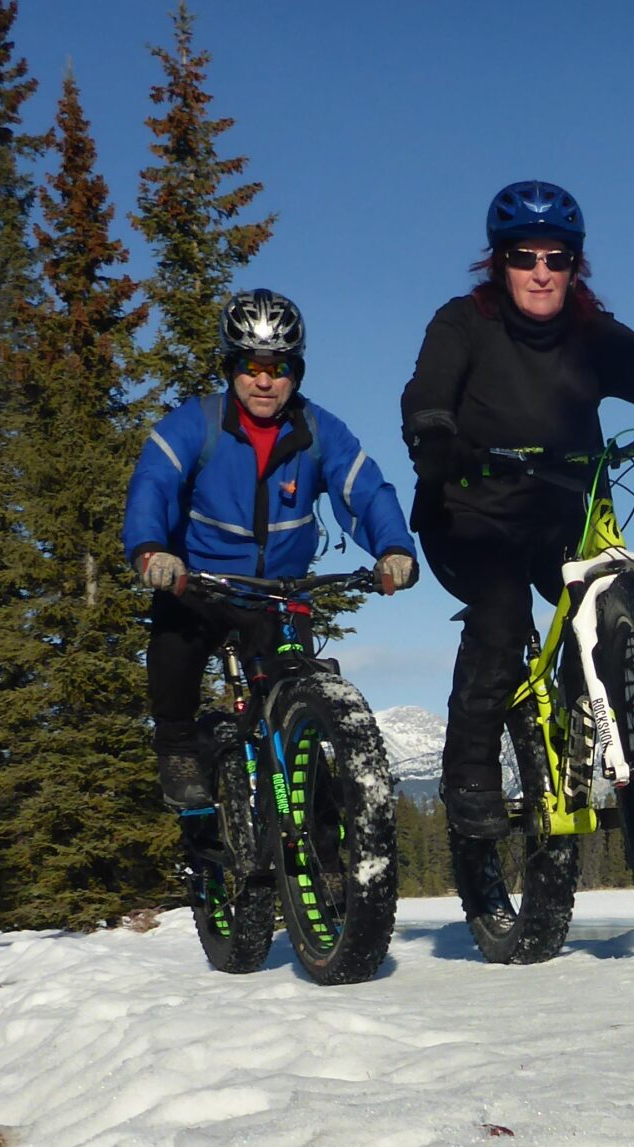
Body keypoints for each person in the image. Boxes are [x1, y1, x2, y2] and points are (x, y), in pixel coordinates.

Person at [399, 180, 634, 842]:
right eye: (523, 256)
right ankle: (469, 773)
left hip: (560, 510)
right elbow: (426, 392)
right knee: (502, 618)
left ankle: (603, 749)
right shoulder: (462, 323)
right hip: (470, 515)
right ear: (498, 261)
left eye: (556, 258)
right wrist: (435, 438)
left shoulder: (594, 335)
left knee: (606, 593)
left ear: (574, 265)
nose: (541, 272)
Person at [123, 287, 418, 862]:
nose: (264, 382)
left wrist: (393, 549)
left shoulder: (319, 432)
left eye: (278, 368)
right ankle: (180, 746)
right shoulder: (195, 425)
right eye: (251, 367)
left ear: (295, 372)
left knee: (299, 695)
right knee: (176, 643)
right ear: (231, 368)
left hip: (279, 595)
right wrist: (153, 551)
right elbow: (153, 484)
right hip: (200, 584)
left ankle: (327, 838)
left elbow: (365, 489)